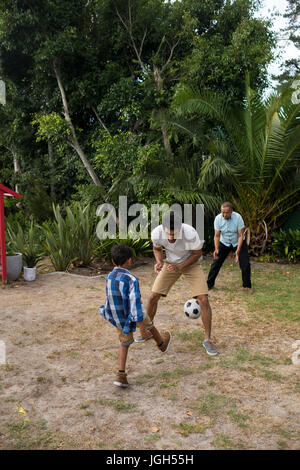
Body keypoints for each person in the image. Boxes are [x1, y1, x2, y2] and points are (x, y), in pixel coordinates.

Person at [135, 213, 218, 356]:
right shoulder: (157, 233)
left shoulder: (190, 233)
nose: (172, 238)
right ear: (163, 228)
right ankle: (147, 332)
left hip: (190, 263)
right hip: (171, 264)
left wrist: (181, 266)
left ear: (181, 228)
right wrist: (159, 261)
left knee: (203, 299)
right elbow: (157, 249)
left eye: (175, 234)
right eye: (169, 234)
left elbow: (197, 254)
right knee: (153, 296)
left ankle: (208, 339)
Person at [99, 244, 171, 388]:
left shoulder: (109, 276)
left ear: (113, 261)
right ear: (129, 261)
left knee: (124, 343)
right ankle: (162, 344)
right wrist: (139, 323)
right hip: (132, 312)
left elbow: (111, 296)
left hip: (118, 316)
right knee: (148, 323)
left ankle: (121, 375)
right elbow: (134, 303)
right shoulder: (131, 279)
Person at [207, 202, 252, 291]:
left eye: (226, 212)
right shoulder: (218, 219)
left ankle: (247, 286)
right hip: (224, 242)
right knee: (216, 262)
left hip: (237, 242)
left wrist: (238, 250)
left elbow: (240, 235)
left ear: (231, 211)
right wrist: (216, 249)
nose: (224, 215)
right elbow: (216, 236)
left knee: (245, 264)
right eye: (222, 212)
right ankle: (209, 285)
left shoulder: (238, 218)